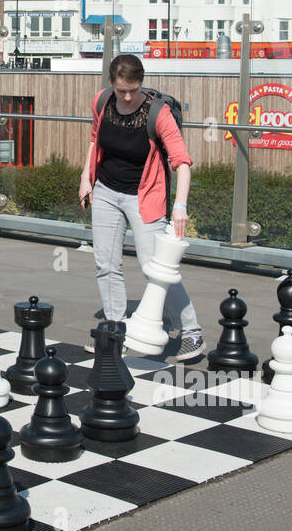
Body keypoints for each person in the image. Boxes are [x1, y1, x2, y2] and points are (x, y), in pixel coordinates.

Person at [78, 54, 205, 362]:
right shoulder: (102, 102)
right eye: (122, 89)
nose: (128, 96)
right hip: (106, 191)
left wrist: (180, 206)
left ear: (141, 83)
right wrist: (86, 177)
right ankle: (115, 328)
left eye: (133, 89)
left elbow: (183, 163)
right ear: (112, 84)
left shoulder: (157, 113)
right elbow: (96, 140)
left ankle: (191, 332)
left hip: (145, 196)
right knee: (105, 263)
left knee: (156, 267)